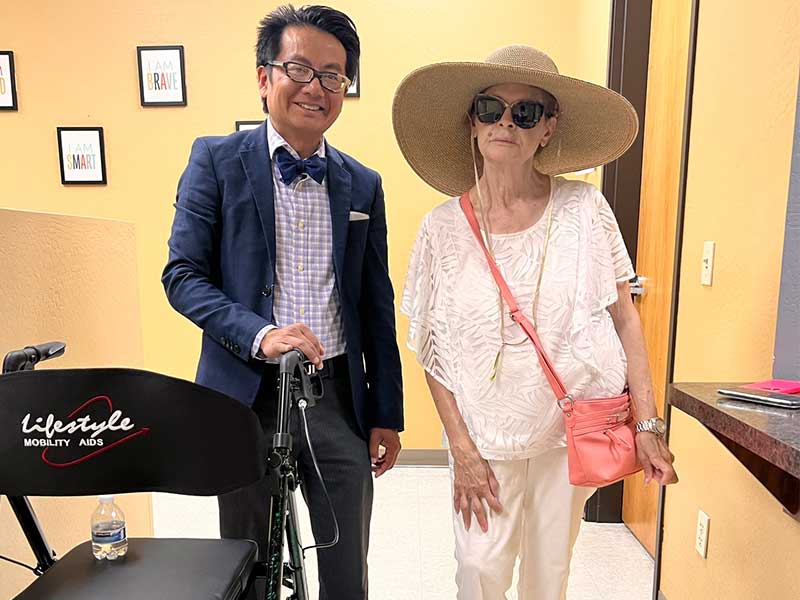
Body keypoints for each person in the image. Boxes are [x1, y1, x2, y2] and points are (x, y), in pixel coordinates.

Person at [393, 45, 678, 599]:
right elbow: (431, 347)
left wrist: (647, 423)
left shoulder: (585, 210)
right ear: (471, 122)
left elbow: (626, 321)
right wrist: (464, 452)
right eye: (490, 108)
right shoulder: (440, 230)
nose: (506, 122)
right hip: (484, 437)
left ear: (547, 129)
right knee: (478, 572)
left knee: (549, 576)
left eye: (526, 113)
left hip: (566, 435)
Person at [162, 5, 403, 598]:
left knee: (348, 565)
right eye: (300, 68)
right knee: (248, 566)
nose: (316, 88)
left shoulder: (363, 183)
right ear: (265, 77)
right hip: (244, 395)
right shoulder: (215, 161)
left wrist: (386, 413)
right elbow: (182, 275)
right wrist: (259, 333)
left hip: (338, 395)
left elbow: (376, 305)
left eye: (333, 75)